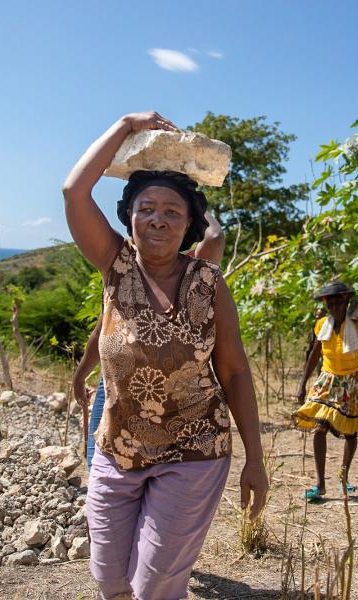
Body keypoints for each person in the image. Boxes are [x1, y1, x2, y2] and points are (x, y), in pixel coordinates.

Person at [63, 111, 267, 599]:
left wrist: (255, 460)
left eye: (173, 211)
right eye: (146, 208)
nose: (158, 219)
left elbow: (236, 373)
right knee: (111, 581)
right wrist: (126, 124)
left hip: (194, 451)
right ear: (130, 217)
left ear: (190, 225)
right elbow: (74, 192)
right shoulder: (116, 266)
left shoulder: (209, 285)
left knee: (155, 586)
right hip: (118, 451)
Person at [74, 210, 225, 469]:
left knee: (163, 466)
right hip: (116, 388)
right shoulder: (123, 270)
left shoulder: (193, 271)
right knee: (99, 457)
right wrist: (80, 374)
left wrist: (188, 194)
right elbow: (102, 330)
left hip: (176, 398)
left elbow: (215, 236)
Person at [293, 281, 358, 501]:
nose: (335, 307)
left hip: (353, 382)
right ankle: (320, 484)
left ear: (346, 302)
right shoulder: (321, 324)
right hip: (328, 379)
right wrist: (302, 383)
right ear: (326, 304)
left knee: (350, 432)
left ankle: (344, 476)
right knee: (319, 428)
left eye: (338, 302)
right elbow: (315, 354)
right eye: (330, 303)